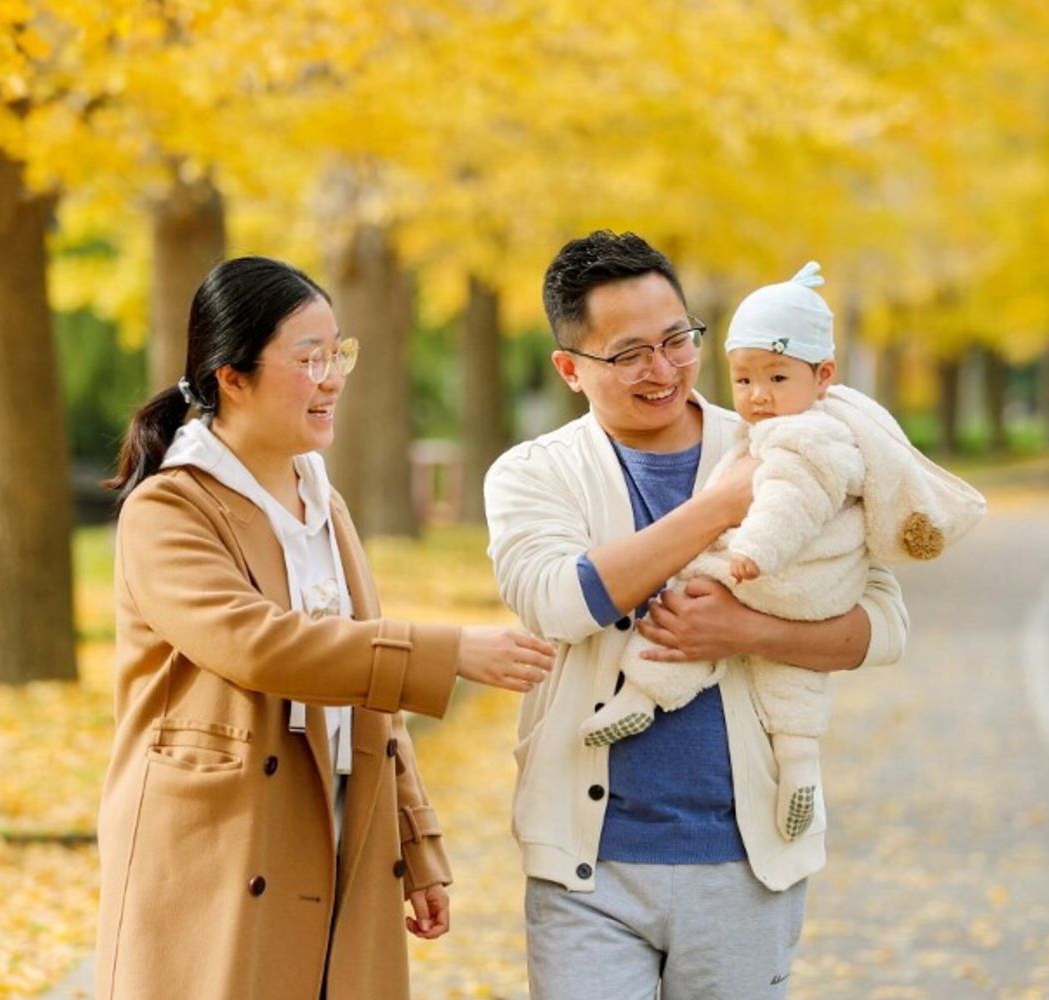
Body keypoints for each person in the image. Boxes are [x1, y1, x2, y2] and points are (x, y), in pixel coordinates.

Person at [95, 256, 555, 1000]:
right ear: (232, 377)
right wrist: (450, 652)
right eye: (309, 358)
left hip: (342, 827)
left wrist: (418, 844)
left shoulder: (323, 501)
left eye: (339, 353)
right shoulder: (169, 510)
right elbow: (258, 645)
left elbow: (370, 693)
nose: (333, 378)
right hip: (220, 849)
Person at [483, 232, 910, 999]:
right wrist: (719, 507)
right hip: (587, 868)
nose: (664, 368)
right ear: (570, 368)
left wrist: (749, 632)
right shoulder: (533, 473)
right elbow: (556, 599)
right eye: (630, 353)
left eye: (678, 339)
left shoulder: (785, 440)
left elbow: (884, 624)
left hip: (745, 862)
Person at [580, 261, 986, 843]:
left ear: (823, 377)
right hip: (812, 590)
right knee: (793, 690)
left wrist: (754, 554)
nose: (759, 396)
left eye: (776, 378)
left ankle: (642, 695)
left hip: (780, 571)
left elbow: (791, 502)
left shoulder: (806, 436)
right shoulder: (785, 428)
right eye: (744, 380)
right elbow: (559, 600)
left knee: (689, 599)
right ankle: (798, 773)